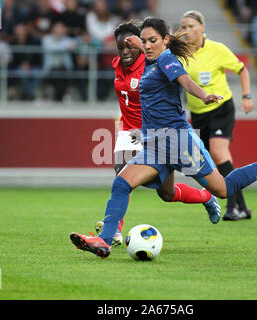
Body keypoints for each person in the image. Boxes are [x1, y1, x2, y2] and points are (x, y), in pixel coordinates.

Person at [70, 17, 257, 259]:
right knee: (127, 184)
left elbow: (185, 80)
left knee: (223, 189)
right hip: (154, 144)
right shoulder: (149, 58)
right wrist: (137, 42)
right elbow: (144, 47)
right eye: (145, 41)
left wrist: (203, 96)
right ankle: (104, 242)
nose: (147, 46)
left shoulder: (166, 60)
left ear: (165, 41)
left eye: (153, 41)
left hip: (178, 141)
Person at [95, 21, 229, 245]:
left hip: (160, 133)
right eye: (121, 47)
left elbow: (178, 79)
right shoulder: (117, 65)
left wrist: (203, 94)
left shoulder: (151, 63)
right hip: (130, 130)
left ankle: (206, 195)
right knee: (123, 176)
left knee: (164, 193)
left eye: (131, 45)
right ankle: (113, 231)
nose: (126, 51)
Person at [179, 10, 254, 221]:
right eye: (183, 27)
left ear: (202, 28)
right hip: (198, 113)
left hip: (221, 109)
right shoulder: (180, 54)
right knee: (212, 160)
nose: (187, 30)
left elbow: (242, 70)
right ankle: (242, 207)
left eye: (191, 26)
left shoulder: (217, 49)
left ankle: (232, 206)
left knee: (218, 152)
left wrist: (247, 96)